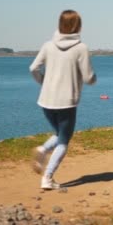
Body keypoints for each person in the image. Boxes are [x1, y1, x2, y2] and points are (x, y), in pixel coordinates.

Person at [29, 10, 97, 190]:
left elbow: (33, 68)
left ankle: (43, 151)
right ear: (78, 26)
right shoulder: (81, 48)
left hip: (45, 101)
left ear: (59, 24)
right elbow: (89, 77)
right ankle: (47, 178)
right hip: (66, 102)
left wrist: (43, 82)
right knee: (64, 141)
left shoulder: (48, 45)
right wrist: (93, 79)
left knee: (60, 134)